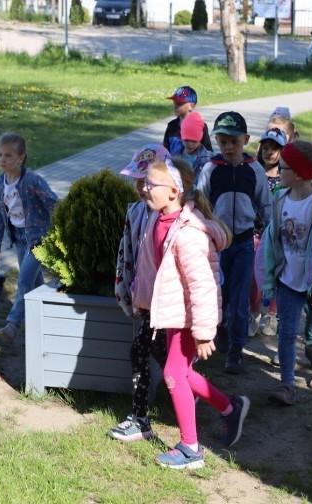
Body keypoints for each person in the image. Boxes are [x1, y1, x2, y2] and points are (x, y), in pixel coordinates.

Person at [133, 156, 249, 469]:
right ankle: (230, 407)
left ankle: (190, 448)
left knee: (172, 373)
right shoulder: (158, 220)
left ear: (174, 191)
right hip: (173, 310)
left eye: (150, 184)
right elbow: (151, 270)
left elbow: (203, 285)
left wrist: (203, 331)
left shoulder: (189, 233)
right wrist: (140, 301)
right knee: (181, 373)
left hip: (189, 316)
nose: (144, 188)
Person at [256, 141, 312, 403]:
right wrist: (268, 279)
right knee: (286, 330)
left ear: (299, 173)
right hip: (287, 280)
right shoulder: (280, 198)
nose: (278, 172)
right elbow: (272, 242)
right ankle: (286, 384)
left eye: (282, 168)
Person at [197, 111, 272, 374]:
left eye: (235, 142)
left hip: (242, 244)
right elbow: (200, 203)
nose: (229, 147)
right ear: (216, 140)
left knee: (240, 299)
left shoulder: (254, 169)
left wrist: (270, 233)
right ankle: (216, 336)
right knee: (216, 295)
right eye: (223, 141)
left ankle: (236, 349)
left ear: (246, 140)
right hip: (215, 246)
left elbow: (265, 204)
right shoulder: (210, 169)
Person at [110, 144, 170, 442]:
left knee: (141, 352)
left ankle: (140, 419)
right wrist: (126, 291)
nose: (139, 187)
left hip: (165, 302)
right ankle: (223, 403)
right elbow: (127, 253)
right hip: (144, 298)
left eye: (144, 181)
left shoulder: (171, 217)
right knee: (164, 358)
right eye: (135, 180)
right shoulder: (135, 212)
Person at [0, 132, 58, 343]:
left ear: (20, 158)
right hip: (19, 239)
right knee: (35, 284)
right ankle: (45, 322)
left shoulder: (32, 181)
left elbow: (53, 204)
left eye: (8, 156)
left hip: (39, 238)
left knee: (24, 280)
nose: (2, 159)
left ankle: (13, 325)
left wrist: (60, 231)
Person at [248, 128, 288, 338]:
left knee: (276, 276)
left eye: (274, 148)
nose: (269, 152)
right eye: (265, 147)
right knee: (255, 277)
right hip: (255, 233)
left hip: (278, 236)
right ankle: (253, 312)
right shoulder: (254, 173)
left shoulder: (285, 179)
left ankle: (271, 315)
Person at [162, 86, 212, 155]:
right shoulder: (171, 126)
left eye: (179, 103)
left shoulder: (201, 126)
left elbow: (208, 151)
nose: (175, 106)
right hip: (173, 164)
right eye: (174, 103)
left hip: (194, 165)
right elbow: (165, 150)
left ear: (191, 106)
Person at [177, 111, 213, 177]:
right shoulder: (176, 157)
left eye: (194, 141)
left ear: (200, 139)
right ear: (181, 138)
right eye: (186, 140)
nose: (190, 144)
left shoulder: (209, 159)